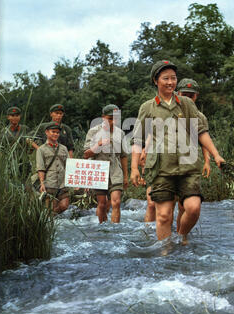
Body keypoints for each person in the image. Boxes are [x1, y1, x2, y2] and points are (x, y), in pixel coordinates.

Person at [131, 60, 225, 244]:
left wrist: (215, 155)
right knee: (164, 215)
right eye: (165, 78)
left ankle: (182, 235)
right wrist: (134, 167)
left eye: (173, 78)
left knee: (193, 207)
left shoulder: (187, 104)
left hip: (187, 167)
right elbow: (138, 140)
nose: (170, 82)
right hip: (161, 169)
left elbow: (201, 132)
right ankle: (165, 255)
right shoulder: (147, 108)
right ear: (155, 81)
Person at [83, 104, 128, 224]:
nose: (113, 121)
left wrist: (126, 176)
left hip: (115, 171)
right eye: (110, 118)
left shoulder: (121, 133)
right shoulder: (93, 132)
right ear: (103, 117)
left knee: (116, 202)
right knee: (102, 204)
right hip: (99, 171)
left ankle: (115, 230)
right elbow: (86, 154)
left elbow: (123, 156)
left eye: (116, 118)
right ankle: (102, 229)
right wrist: (99, 144)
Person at [176, 78, 211, 230]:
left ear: (196, 96)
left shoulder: (200, 117)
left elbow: (204, 141)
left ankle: (181, 236)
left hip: (190, 165)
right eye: (184, 94)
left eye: (191, 96)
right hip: (167, 164)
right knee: (167, 207)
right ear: (177, 94)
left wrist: (207, 161)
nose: (187, 98)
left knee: (185, 206)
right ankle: (164, 239)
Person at [35, 121, 70, 214]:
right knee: (51, 210)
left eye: (57, 132)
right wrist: (42, 183)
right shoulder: (41, 149)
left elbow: (69, 166)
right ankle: (54, 223)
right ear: (47, 132)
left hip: (63, 184)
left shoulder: (64, 148)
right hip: (50, 184)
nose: (56, 134)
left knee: (64, 206)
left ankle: (56, 216)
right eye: (53, 132)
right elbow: (40, 168)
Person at [2, 106, 32, 179]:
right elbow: (2, 149)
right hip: (10, 163)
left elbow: (31, 144)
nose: (15, 117)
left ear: (20, 117)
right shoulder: (4, 131)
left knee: (25, 184)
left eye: (17, 115)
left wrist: (29, 151)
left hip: (24, 163)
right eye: (12, 115)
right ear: (8, 117)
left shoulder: (25, 129)